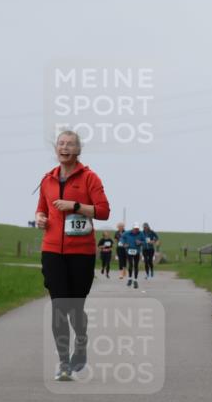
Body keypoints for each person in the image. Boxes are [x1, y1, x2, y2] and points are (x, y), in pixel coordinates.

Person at [36, 130, 110, 381]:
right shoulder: (47, 180)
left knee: (75, 309)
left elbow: (103, 211)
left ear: (78, 150)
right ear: (55, 148)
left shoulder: (90, 178)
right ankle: (64, 363)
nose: (64, 147)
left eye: (70, 144)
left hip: (81, 253)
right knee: (59, 307)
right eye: (61, 143)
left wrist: (75, 206)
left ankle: (81, 341)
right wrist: (40, 219)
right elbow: (41, 210)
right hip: (52, 251)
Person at [122, 223, 145, 289]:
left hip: (137, 251)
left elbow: (144, 241)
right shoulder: (127, 233)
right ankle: (130, 279)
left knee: (136, 265)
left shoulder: (141, 234)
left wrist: (140, 242)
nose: (136, 230)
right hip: (129, 251)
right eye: (135, 229)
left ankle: (135, 280)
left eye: (137, 229)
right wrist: (124, 243)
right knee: (130, 265)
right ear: (132, 228)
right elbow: (122, 238)